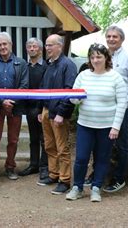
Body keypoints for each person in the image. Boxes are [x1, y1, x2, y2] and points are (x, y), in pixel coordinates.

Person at [66, 43, 127, 202]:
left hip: (106, 127)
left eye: (99, 56)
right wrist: (76, 99)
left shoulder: (115, 77)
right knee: (81, 158)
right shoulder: (83, 76)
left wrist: (116, 126)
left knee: (102, 158)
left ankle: (96, 188)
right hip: (85, 125)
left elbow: (122, 103)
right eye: (92, 57)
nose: (95, 60)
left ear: (106, 57)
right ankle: (77, 187)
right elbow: (73, 98)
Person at [103, 25, 128, 192]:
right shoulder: (104, 57)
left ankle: (119, 178)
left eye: (115, 37)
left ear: (121, 39)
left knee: (121, 144)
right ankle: (101, 173)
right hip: (105, 107)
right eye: (109, 36)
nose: (111, 39)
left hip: (123, 108)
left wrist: (126, 103)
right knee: (103, 142)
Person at [36, 34, 77, 195]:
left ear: (60, 46)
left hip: (59, 113)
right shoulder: (49, 65)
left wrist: (61, 113)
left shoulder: (68, 65)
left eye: (50, 45)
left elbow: (69, 90)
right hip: (46, 111)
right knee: (49, 146)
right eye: (46, 45)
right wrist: (41, 110)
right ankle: (54, 174)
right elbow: (43, 88)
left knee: (62, 148)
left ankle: (65, 180)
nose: (47, 48)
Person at [0, 32, 28, 180]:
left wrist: (11, 101)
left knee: (13, 139)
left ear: (10, 44)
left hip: (15, 107)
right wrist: (2, 100)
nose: (2, 47)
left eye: (5, 44)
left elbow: (24, 86)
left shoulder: (21, 63)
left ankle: (10, 167)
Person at [18, 38, 48, 179]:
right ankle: (33, 164)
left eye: (34, 46)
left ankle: (44, 167)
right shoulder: (25, 67)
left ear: (40, 49)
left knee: (44, 139)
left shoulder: (46, 67)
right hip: (29, 108)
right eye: (29, 46)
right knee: (33, 138)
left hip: (42, 108)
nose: (31, 49)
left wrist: (42, 109)